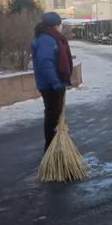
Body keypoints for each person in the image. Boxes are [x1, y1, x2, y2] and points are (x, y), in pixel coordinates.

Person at [31, 12, 73, 152]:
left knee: (55, 115)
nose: (61, 27)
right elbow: (45, 63)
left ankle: (55, 146)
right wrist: (55, 83)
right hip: (50, 86)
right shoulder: (46, 39)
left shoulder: (49, 37)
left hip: (53, 84)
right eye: (60, 24)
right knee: (52, 116)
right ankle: (50, 148)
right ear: (55, 25)